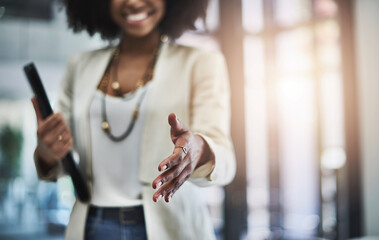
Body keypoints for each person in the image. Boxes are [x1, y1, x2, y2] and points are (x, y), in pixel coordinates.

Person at [31, 0, 236, 239]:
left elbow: (226, 161)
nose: (134, 2)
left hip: (170, 226)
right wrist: (47, 150)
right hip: (91, 225)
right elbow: (55, 162)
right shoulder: (80, 66)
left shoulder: (201, 63)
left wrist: (199, 150)